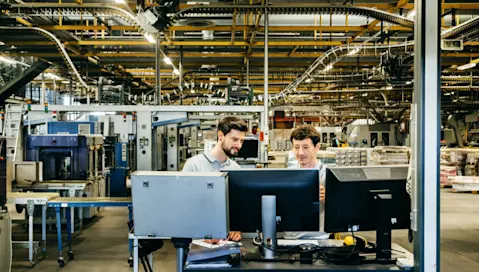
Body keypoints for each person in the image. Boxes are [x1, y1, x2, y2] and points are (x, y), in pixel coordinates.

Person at [182, 116, 247, 242]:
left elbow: (238, 207)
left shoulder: (236, 169)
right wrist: (205, 235)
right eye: (234, 139)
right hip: (199, 242)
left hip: (227, 241)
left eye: (241, 141)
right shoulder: (194, 165)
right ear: (221, 135)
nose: (238, 145)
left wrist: (236, 229)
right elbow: (185, 208)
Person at [284, 124, 328, 240]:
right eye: (296, 147)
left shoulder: (327, 175)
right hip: (290, 238)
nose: (300, 153)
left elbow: (343, 211)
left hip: (318, 238)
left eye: (306, 147)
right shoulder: (288, 175)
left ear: (317, 147)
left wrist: (329, 197)